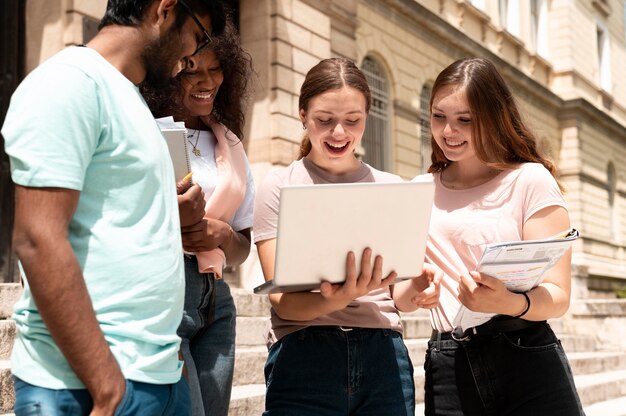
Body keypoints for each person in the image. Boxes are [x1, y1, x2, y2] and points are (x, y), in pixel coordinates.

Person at [1, 0, 226, 414]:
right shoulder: (69, 82)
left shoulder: (132, 99)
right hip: (85, 386)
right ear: (165, 10)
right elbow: (37, 238)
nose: (192, 57)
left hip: (157, 375)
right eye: (198, 35)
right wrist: (106, 387)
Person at [253, 57, 442, 416]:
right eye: (325, 120)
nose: (339, 133)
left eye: (352, 121)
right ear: (303, 115)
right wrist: (340, 298)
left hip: (382, 356)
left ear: (366, 118)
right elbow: (282, 299)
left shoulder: (391, 188)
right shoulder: (279, 186)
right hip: (303, 354)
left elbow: (397, 298)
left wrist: (419, 285)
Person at [420, 57, 584, 415]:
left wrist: (506, 303)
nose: (449, 131)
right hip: (449, 362)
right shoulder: (419, 191)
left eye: (465, 119)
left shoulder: (531, 180)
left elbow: (557, 296)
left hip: (525, 353)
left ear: (494, 117)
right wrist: (416, 288)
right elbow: (402, 290)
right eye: (438, 116)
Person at [143, 19, 254, 416]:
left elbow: (243, 247)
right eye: (191, 69)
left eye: (215, 68)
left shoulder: (230, 142)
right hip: (166, 289)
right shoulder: (143, 132)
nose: (207, 80)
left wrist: (220, 233)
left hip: (217, 301)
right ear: (167, 71)